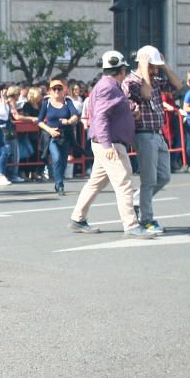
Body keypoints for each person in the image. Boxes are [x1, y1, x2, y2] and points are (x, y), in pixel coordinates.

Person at [68, 51, 154, 239]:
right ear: (122, 70)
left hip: (105, 141)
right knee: (124, 181)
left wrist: (131, 111)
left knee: (96, 182)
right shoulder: (109, 87)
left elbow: (111, 111)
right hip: (109, 142)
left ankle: (78, 218)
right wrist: (107, 145)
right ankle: (131, 225)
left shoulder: (108, 85)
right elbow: (101, 117)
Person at [123, 45, 181, 234]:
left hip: (158, 132)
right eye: (152, 66)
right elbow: (145, 93)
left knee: (164, 176)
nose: (155, 71)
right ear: (142, 63)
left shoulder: (155, 79)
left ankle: (137, 201)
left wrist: (164, 66)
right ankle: (147, 219)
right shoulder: (131, 81)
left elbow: (177, 86)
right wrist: (143, 67)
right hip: (144, 133)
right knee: (149, 180)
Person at [37, 78, 80, 196]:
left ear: (63, 90)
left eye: (59, 88)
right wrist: (49, 130)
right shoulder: (46, 103)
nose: (57, 91)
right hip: (52, 137)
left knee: (63, 161)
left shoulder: (67, 102)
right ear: (50, 91)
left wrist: (69, 121)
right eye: (54, 89)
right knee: (56, 158)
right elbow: (39, 121)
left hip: (66, 135)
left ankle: (58, 181)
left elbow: (75, 115)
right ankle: (59, 184)